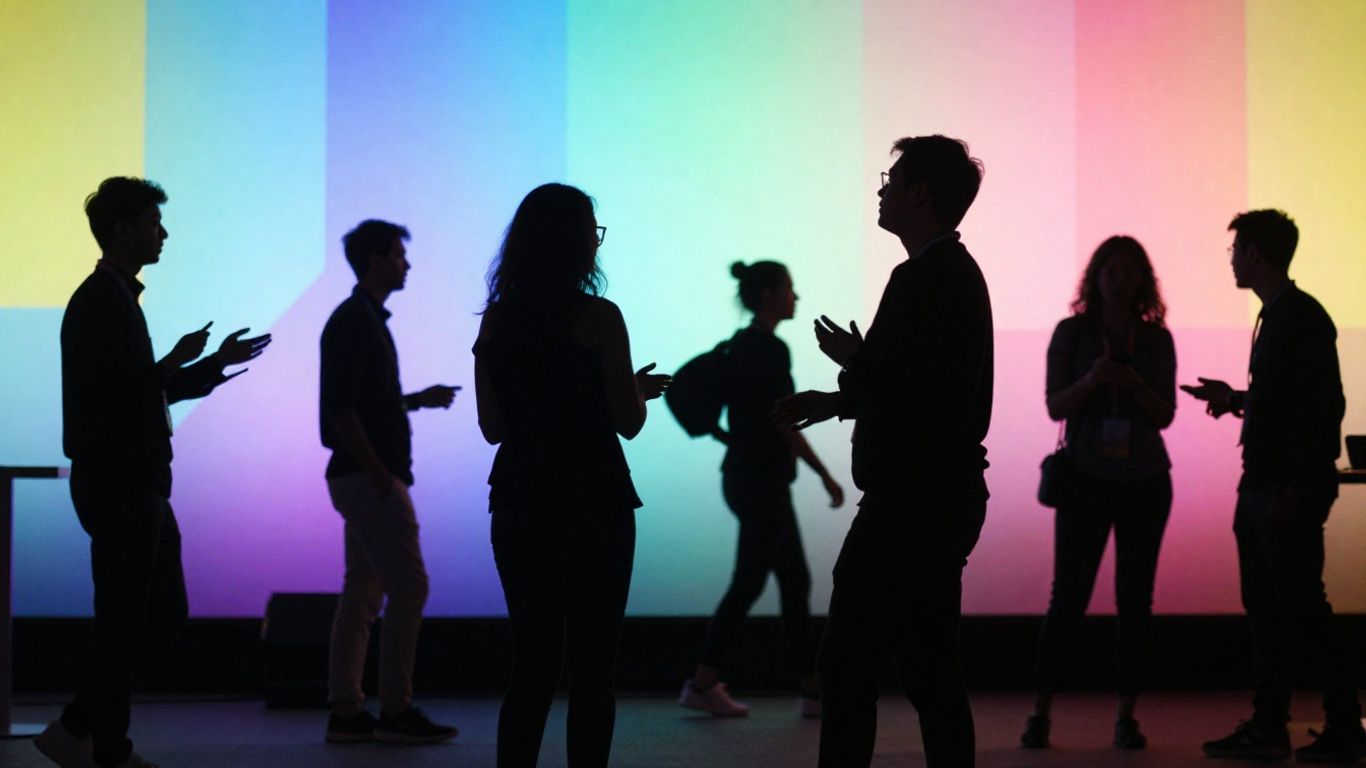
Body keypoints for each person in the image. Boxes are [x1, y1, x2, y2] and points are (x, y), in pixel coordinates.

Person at [774, 135, 993, 768]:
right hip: (939, 497)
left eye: (891, 179)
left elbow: (912, 395)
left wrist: (845, 381)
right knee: (929, 669)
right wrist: (852, 378)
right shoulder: (953, 273)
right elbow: (923, 387)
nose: (882, 189)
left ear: (919, 193)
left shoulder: (923, 276)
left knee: (846, 664)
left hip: (910, 502)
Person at [37, 177, 271, 768]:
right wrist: (179, 361)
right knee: (129, 619)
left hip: (134, 484)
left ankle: (77, 727)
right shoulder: (98, 302)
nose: (161, 233)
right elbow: (119, 395)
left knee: (154, 613)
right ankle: (106, 749)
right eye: (152, 222)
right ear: (123, 230)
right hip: (120, 484)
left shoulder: (114, 299)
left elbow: (142, 394)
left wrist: (210, 364)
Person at [473, 183, 670, 767]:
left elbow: (492, 427)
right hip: (595, 501)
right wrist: (633, 391)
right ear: (580, 244)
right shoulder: (601, 318)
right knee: (592, 672)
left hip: (519, 498)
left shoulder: (497, 321)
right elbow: (627, 423)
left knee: (531, 664)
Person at [1183, 209, 1365, 762]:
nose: (1232, 258)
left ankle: (1331, 726)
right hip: (1268, 485)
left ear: (1256, 253)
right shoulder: (1286, 315)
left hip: (1279, 489)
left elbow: (1320, 412)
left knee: (1298, 607)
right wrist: (1237, 399)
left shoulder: (1298, 318)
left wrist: (1293, 486)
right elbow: (1295, 406)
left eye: (1236, 248)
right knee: (1276, 608)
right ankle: (1278, 724)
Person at [1020, 236, 1176, 750]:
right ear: (1096, 277)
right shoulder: (1073, 332)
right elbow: (1055, 407)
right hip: (1086, 478)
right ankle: (1040, 713)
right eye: (1112, 271)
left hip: (1145, 481)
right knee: (1067, 598)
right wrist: (1093, 379)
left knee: (1136, 602)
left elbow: (1165, 416)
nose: (1120, 280)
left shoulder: (1155, 339)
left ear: (1142, 282)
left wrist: (1132, 385)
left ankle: (1126, 717)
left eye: (1130, 272)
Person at [679, 261, 844, 719]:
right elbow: (784, 418)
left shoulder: (743, 346)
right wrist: (823, 472)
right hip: (760, 480)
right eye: (790, 288)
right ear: (770, 294)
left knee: (792, 579)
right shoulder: (768, 350)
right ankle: (703, 681)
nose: (796, 297)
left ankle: (811, 691)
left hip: (750, 477)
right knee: (754, 581)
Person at [320, 219, 459, 745]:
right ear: (376, 260)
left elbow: (358, 404)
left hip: (360, 476)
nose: (407, 263)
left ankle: (347, 709)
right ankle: (395, 708)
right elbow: (340, 408)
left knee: (362, 593)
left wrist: (413, 401)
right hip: (369, 477)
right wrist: (379, 472)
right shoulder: (357, 322)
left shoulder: (361, 319)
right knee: (408, 587)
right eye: (399, 255)